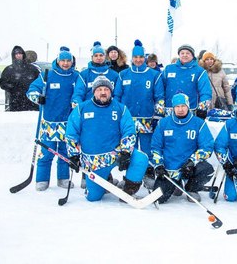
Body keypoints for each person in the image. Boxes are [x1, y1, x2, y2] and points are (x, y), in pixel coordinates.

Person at [65, 76, 149, 201]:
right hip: (94, 160)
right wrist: (73, 155)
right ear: (94, 92)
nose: (103, 92)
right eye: (99, 89)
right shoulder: (81, 108)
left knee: (141, 158)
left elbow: (129, 132)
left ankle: (128, 190)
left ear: (111, 91)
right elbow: (71, 134)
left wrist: (126, 152)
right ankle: (105, 180)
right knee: (93, 197)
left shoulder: (121, 108)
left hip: (116, 153)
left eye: (106, 89)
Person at [26, 47, 79, 191]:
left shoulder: (75, 76)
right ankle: (42, 179)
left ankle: (63, 178)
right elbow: (32, 89)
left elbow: (79, 94)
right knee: (46, 152)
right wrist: (37, 97)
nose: (66, 63)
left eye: (68, 61)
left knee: (64, 153)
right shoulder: (47, 74)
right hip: (49, 123)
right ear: (58, 60)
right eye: (63, 60)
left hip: (67, 122)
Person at [114, 40, 165, 187]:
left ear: (145, 58)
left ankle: (149, 173)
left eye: (141, 57)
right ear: (132, 58)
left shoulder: (154, 75)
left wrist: (158, 115)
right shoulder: (124, 74)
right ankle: (131, 177)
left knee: (148, 149)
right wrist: (118, 115)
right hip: (128, 119)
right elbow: (117, 96)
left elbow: (159, 97)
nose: (138, 60)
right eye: (135, 57)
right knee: (130, 149)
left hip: (147, 118)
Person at [151, 93, 214, 204]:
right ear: (173, 108)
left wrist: (192, 161)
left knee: (206, 169)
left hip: (189, 167)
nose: (180, 109)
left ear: (188, 106)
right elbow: (156, 147)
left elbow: (207, 147)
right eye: (177, 106)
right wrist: (158, 164)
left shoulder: (198, 123)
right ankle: (176, 184)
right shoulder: (163, 123)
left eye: (183, 106)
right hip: (169, 168)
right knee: (158, 199)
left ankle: (191, 188)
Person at [162, 44, 212, 119]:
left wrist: (202, 108)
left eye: (188, 53)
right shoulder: (169, 69)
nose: (185, 55)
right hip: (170, 109)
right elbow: (160, 89)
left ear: (192, 55)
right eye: (182, 53)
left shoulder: (199, 71)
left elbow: (205, 91)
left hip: (190, 110)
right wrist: (160, 105)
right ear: (179, 55)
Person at [71, 41, 119, 108]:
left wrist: (114, 106)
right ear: (92, 57)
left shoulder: (114, 75)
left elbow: (117, 94)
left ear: (105, 57)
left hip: (109, 109)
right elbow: (78, 93)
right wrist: (78, 103)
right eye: (96, 55)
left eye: (101, 55)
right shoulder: (84, 74)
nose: (98, 58)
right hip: (89, 110)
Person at [0, 45, 40, 111]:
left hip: (32, 103)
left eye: (20, 53)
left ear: (23, 55)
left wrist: (34, 89)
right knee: (17, 120)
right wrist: (12, 88)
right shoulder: (8, 69)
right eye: (16, 54)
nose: (19, 55)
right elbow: (2, 83)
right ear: (13, 55)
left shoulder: (32, 69)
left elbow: (39, 81)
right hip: (16, 103)